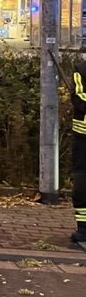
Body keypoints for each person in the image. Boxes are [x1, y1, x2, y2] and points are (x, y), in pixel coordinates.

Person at [69, 57, 86, 247]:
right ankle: (83, 227)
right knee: (82, 184)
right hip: (84, 140)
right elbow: (79, 99)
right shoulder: (82, 71)